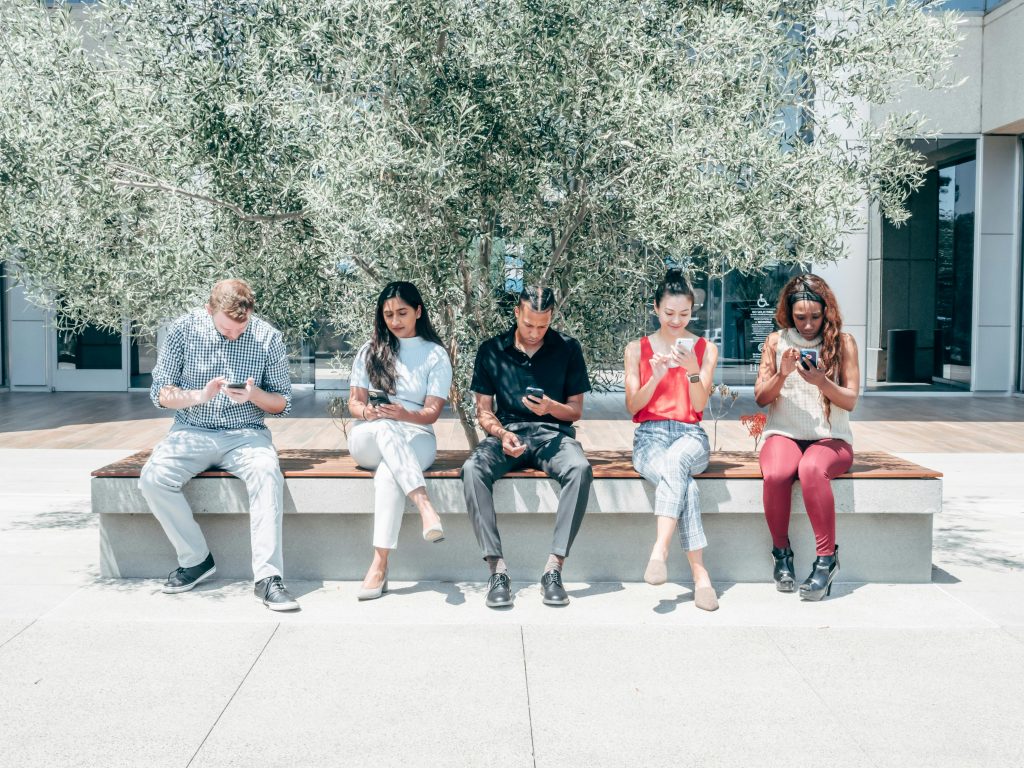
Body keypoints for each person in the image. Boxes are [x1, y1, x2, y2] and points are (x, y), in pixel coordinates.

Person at [139, 278, 298, 610]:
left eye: (240, 330)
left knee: (268, 475)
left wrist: (254, 395)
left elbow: (283, 404)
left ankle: (268, 578)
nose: (234, 336)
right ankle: (196, 558)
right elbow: (160, 395)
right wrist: (199, 395)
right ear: (209, 310)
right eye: (227, 331)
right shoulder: (182, 330)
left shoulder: (267, 337)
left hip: (246, 434)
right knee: (153, 479)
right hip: (191, 430)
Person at [462, 285, 593, 609]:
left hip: (553, 434)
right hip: (506, 435)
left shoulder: (568, 349)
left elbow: (575, 410)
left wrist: (550, 406)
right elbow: (483, 411)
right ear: (517, 314)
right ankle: (497, 570)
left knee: (579, 468)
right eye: (529, 324)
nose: (535, 332)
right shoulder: (491, 350)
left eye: (543, 325)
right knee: (472, 469)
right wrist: (500, 433)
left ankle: (554, 569)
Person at [754, 273, 859, 601]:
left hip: (832, 439)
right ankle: (781, 554)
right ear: (789, 313)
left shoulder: (843, 342)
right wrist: (782, 375)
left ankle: (826, 561)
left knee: (811, 469)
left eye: (815, 316)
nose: (809, 324)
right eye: (801, 318)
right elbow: (760, 398)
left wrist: (823, 383)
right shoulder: (775, 341)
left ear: (827, 311)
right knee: (776, 473)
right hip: (784, 433)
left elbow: (851, 401)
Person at [346, 281, 453, 600]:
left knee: (389, 473)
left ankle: (379, 565)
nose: (395, 320)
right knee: (385, 427)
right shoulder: (370, 349)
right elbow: (354, 402)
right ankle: (424, 505)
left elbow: (432, 412)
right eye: (388, 314)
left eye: (402, 313)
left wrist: (402, 413)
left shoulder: (435, 354)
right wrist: (371, 414)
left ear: (418, 311)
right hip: (369, 436)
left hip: (417, 436)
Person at [625, 268, 720, 611]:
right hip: (649, 435)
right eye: (669, 313)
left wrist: (693, 368)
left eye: (684, 314)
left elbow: (697, 406)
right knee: (685, 486)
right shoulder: (637, 348)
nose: (677, 321)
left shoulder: (706, 349)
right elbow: (633, 407)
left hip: (690, 435)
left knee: (677, 461)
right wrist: (658, 377)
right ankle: (700, 576)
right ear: (655, 309)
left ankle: (659, 551)